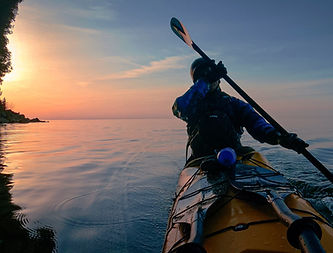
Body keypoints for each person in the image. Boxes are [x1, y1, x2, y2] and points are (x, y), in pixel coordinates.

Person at [172, 58, 309, 161]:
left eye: (211, 75)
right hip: (201, 160)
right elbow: (181, 109)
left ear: (219, 79)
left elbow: (258, 125)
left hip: (234, 156)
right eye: (203, 76)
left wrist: (279, 137)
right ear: (197, 82)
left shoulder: (234, 104)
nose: (209, 79)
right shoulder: (190, 105)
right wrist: (205, 81)